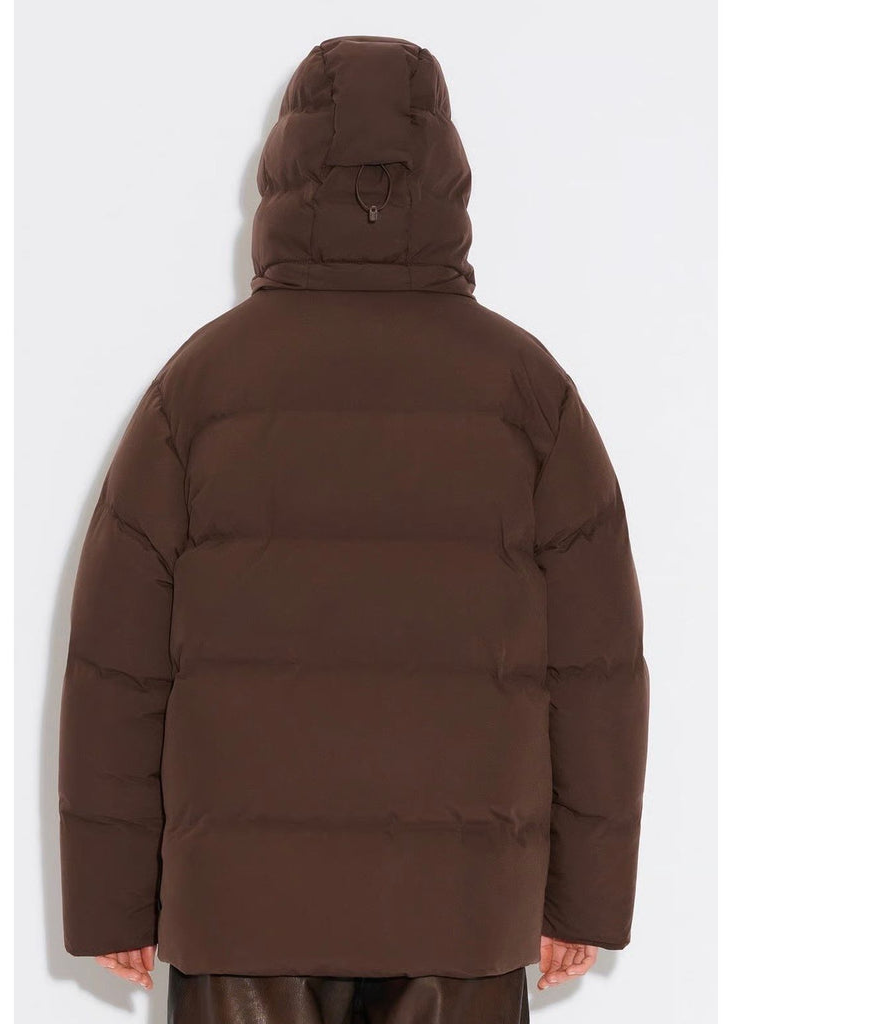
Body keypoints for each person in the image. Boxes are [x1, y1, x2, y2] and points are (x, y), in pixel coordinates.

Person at [58, 35, 649, 1024]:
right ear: (446, 175)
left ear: (285, 172)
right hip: (461, 913)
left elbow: (117, 664)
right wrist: (579, 898)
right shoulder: (527, 393)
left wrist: (117, 899)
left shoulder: (199, 388)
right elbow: (597, 670)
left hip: (241, 911)